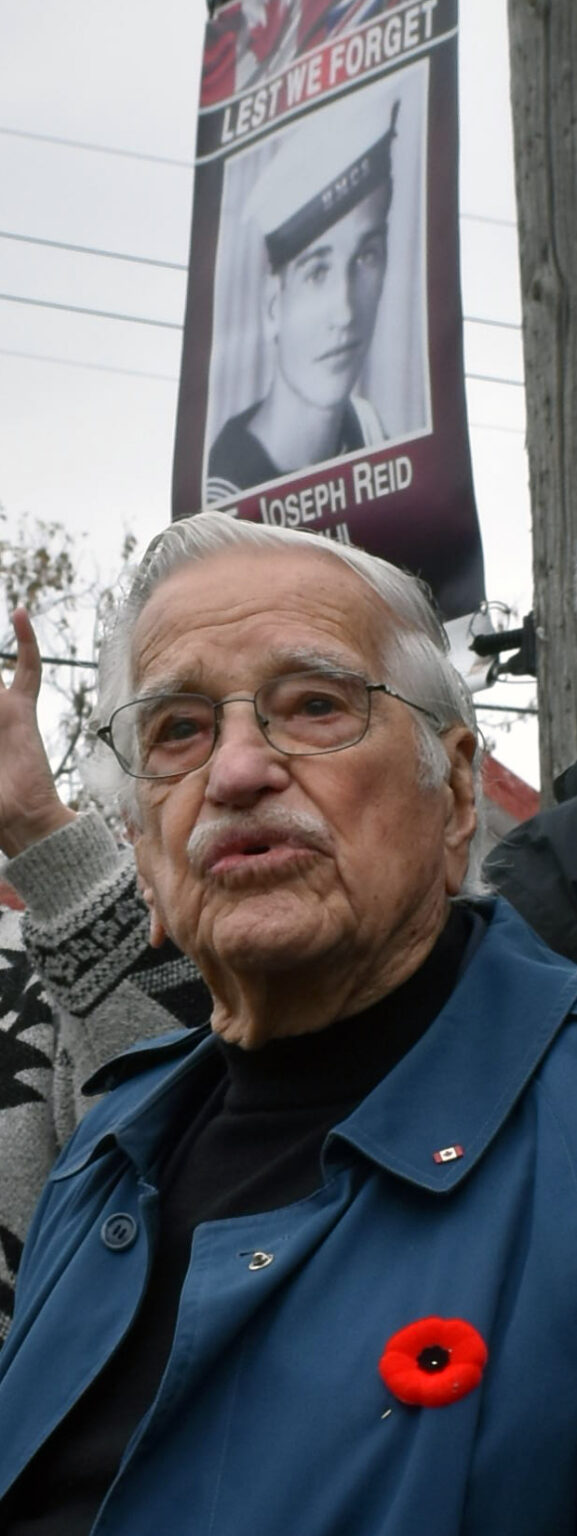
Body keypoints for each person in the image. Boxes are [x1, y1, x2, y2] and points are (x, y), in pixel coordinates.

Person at [1, 514, 577, 1536]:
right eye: (177, 731)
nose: (233, 772)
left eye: (313, 706)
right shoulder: (103, 1154)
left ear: (451, 792)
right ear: (140, 849)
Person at [206, 98, 400, 502]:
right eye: (317, 273)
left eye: (366, 257)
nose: (346, 312)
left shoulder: (368, 432)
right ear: (274, 306)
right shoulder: (226, 496)